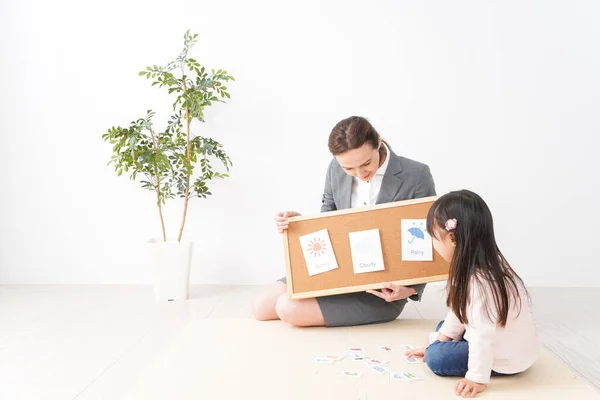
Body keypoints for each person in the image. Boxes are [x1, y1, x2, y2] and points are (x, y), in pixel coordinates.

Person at [252, 116, 436, 327]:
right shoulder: (335, 167)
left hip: (381, 288)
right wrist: (300, 224)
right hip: (340, 270)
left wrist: (411, 289)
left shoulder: (417, 174)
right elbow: (329, 219)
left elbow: (428, 236)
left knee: (287, 307)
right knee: (261, 306)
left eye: (366, 163)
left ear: (378, 142)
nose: (360, 174)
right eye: (349, 169)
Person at [404, 190, 538, 398]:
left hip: (507, 357)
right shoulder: (482, 265)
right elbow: (459, 312)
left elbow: (481, 335)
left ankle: (446, 350)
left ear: (452, 239)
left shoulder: (480, 283)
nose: (433, 244)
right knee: (443, 329)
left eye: (434, 238)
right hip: (501, 338)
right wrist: (440, 339)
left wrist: (476, 378)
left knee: (436, 358)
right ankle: (442, 343)